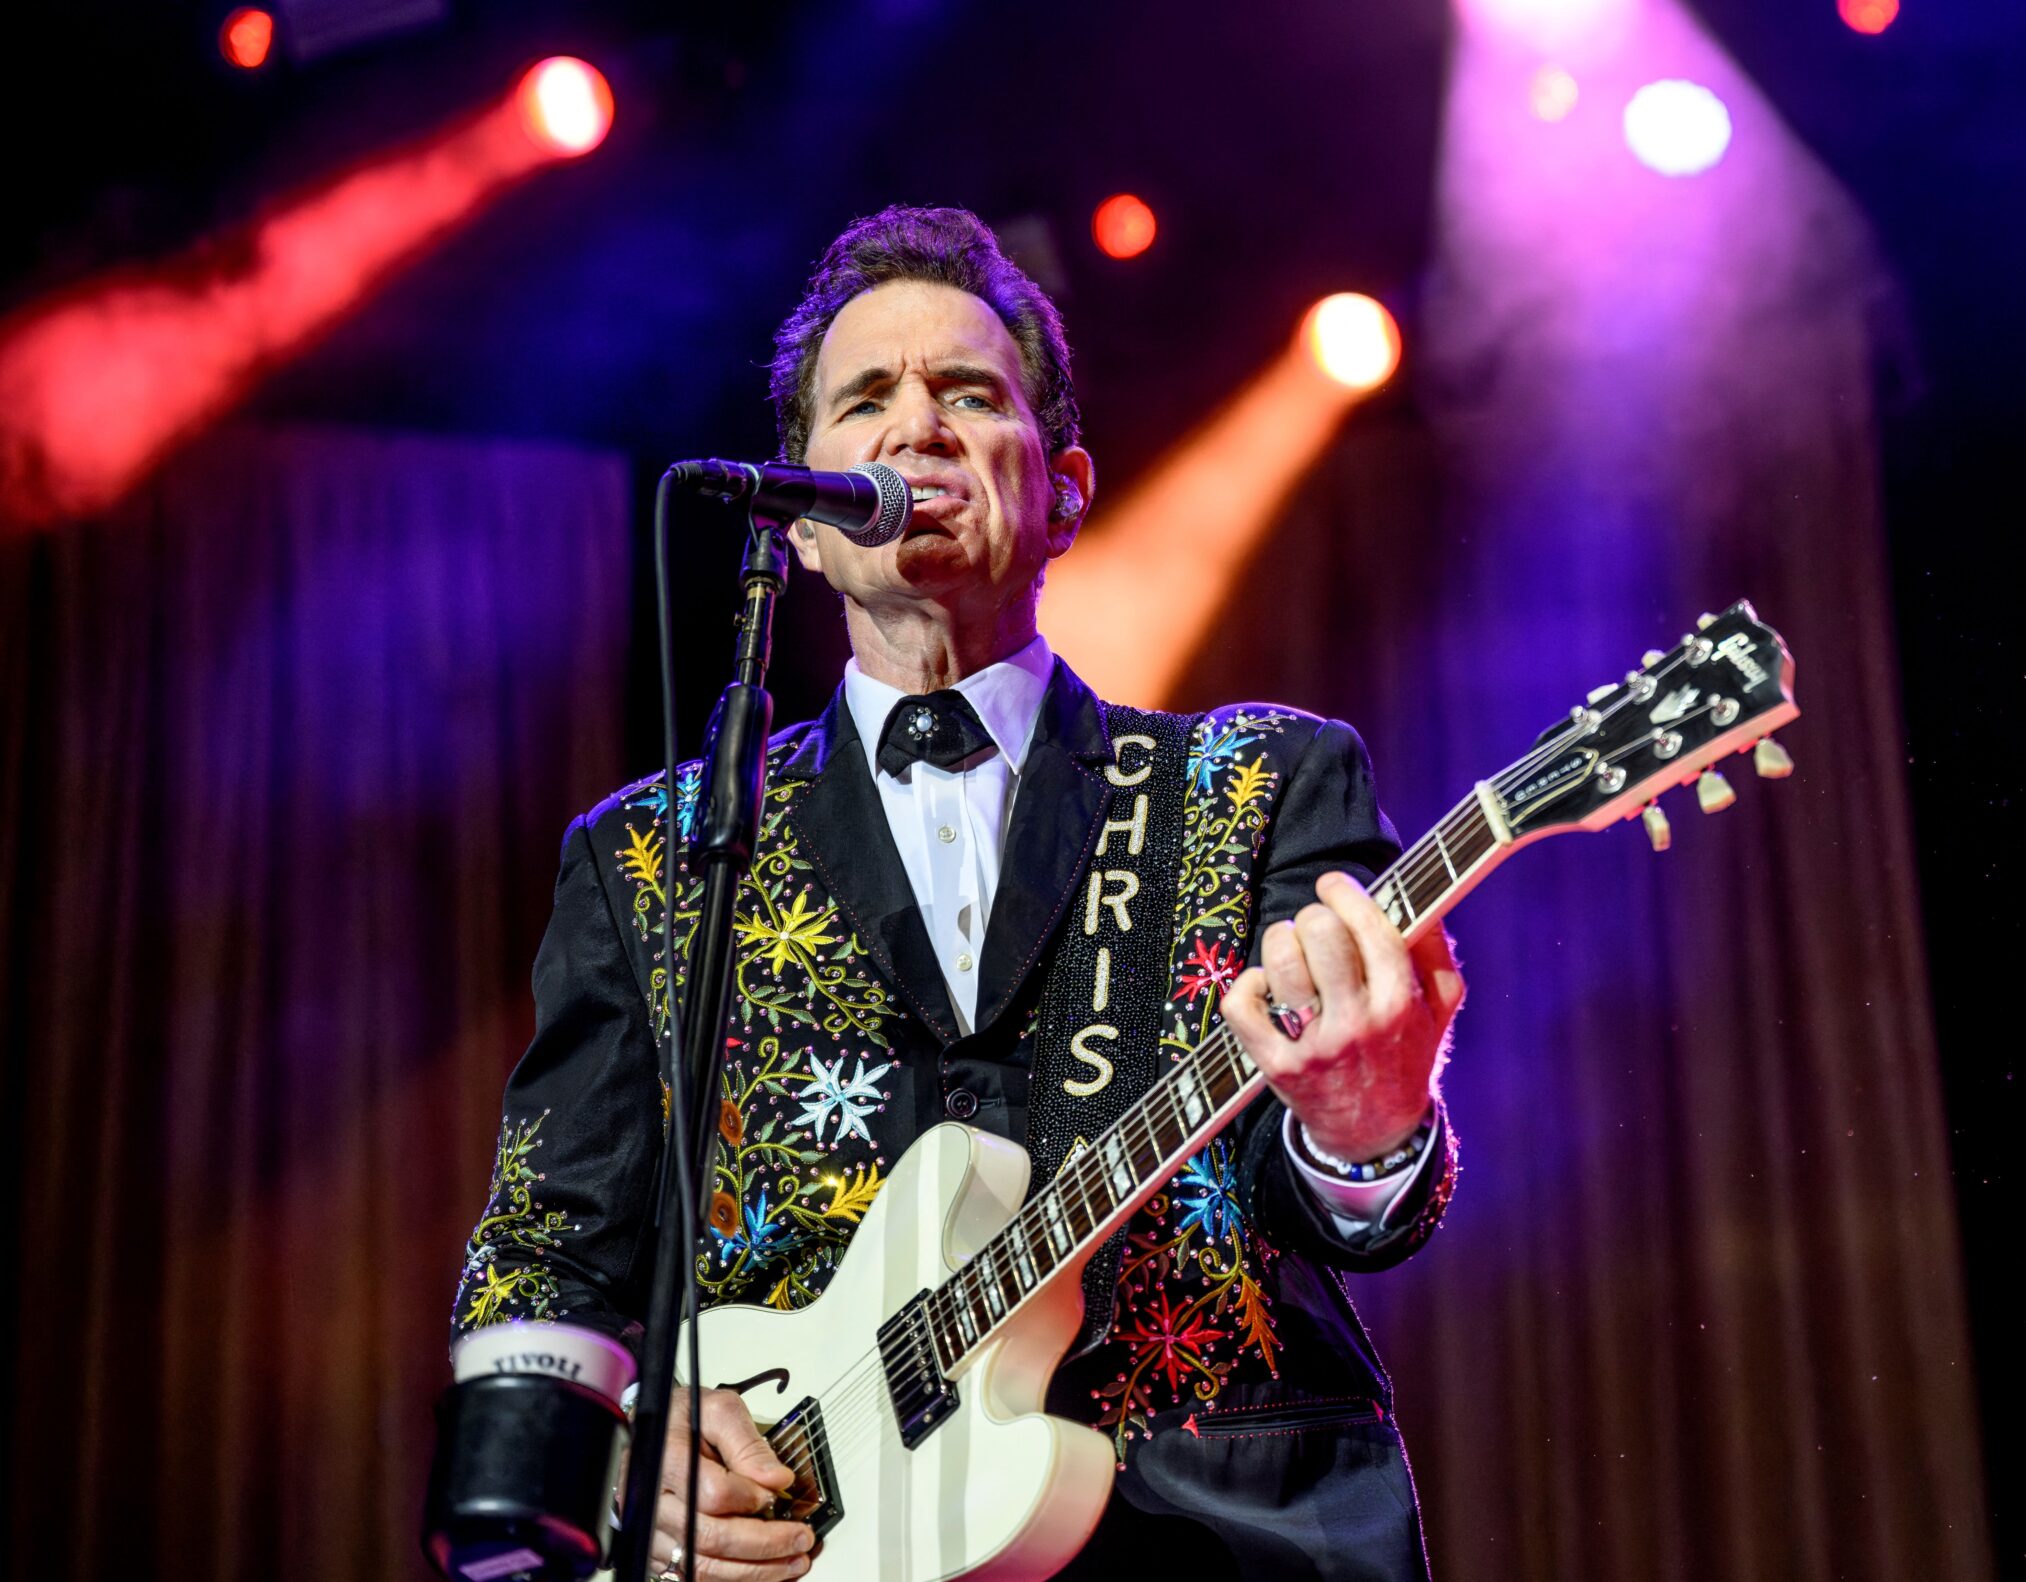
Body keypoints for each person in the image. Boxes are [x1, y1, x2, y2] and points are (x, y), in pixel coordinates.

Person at [452, 206, 1464, 1582]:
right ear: (807, 527)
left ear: (1067, 490)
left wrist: (1366, 1128)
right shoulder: (651, 857)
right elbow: (543, 1253)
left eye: (970, 395)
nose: (915, 427)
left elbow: (1340, 1199)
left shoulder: (1259, 783)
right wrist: (626, 1453)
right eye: (865, 399)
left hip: (1222, 1536)